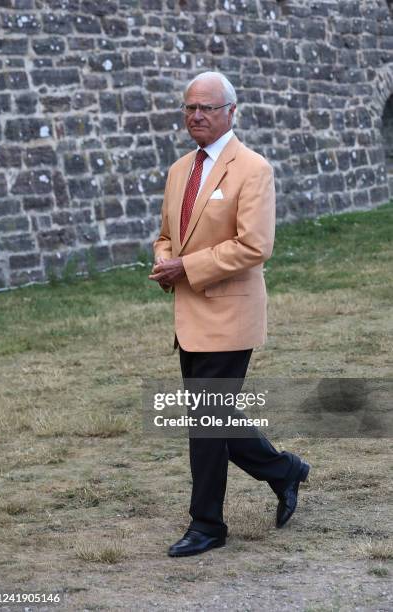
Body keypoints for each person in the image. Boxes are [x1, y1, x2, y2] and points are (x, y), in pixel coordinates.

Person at [149, 71, 310, 558]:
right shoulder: (180, 169)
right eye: (189, 108)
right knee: (211, 415)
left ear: (231, 112)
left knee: (204, 420)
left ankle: (207, 525)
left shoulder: (253, 168)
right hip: (188, 315)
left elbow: (255, 246)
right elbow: (166, 234)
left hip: (231, 315)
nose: (196, 115)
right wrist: (163, 257)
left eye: (207, 108)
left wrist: (187, 266)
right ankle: (283, 470)